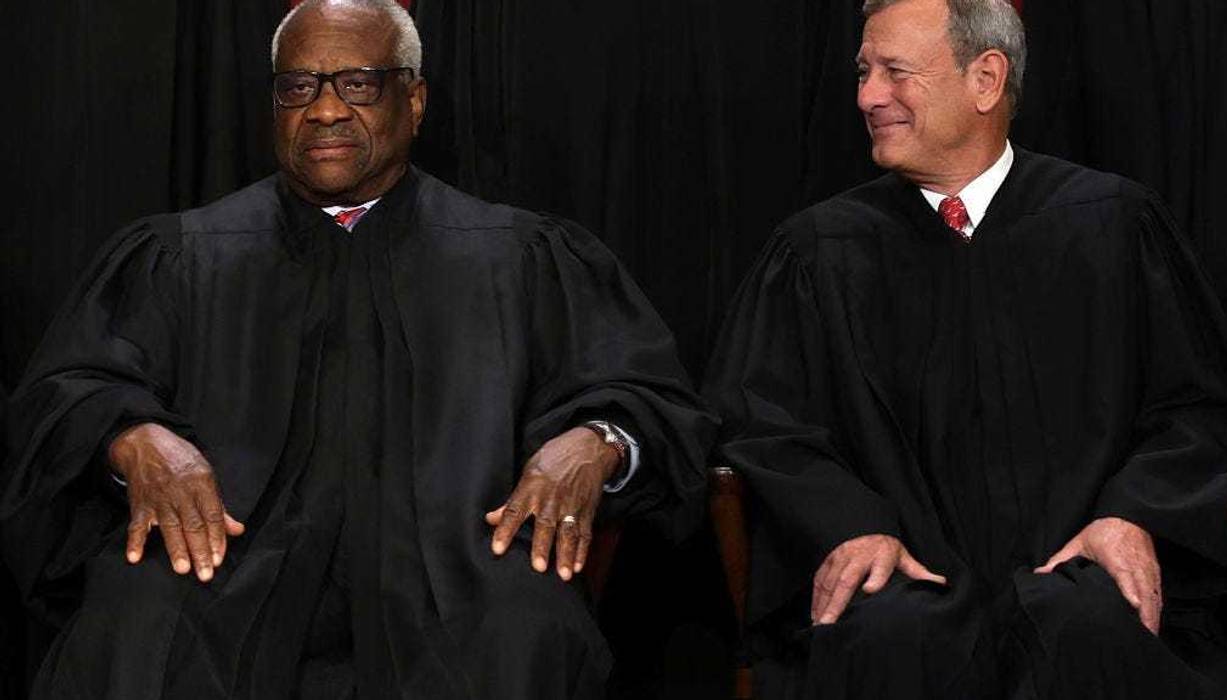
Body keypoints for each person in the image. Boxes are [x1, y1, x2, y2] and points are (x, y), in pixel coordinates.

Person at [0, 1, 716, 698]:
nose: (325, 110)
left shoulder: (519, 257)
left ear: (415, 99)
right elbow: (66, 390)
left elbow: (652, 400)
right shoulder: (182, 255)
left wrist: (597, 441)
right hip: (225, 563)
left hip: (457, 569)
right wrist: (132, 435)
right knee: (132, 619)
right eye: (298, 86)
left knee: (525, 627)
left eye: (359, 83)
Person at [703, 0, 1227, 697]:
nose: (868, 95)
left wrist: (1133, 516)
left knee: (1093, 626)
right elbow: (760, 422)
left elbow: (1199, 406)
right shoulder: (818, 251)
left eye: (894, 72)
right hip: (899, 582)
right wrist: (849, 526)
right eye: (863, 72)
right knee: (885, 635)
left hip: (1081, 574)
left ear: (985, 78)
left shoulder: (1113, 225)